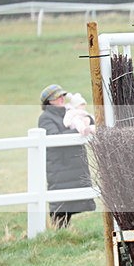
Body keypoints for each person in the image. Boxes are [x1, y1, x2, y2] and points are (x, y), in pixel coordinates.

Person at [37, 84, 96, 228]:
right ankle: (60, 232)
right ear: (49, 101)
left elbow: (87, 119)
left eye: (62, 95)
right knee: (60, 203)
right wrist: (80, 132)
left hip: (74, 163)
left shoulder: (69, 111)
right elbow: (54, 138)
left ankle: (66, 233)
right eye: (57, 97)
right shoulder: (45, 118)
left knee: (72, 199)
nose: (62, 99)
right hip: (60, 165)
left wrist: (87, 122)